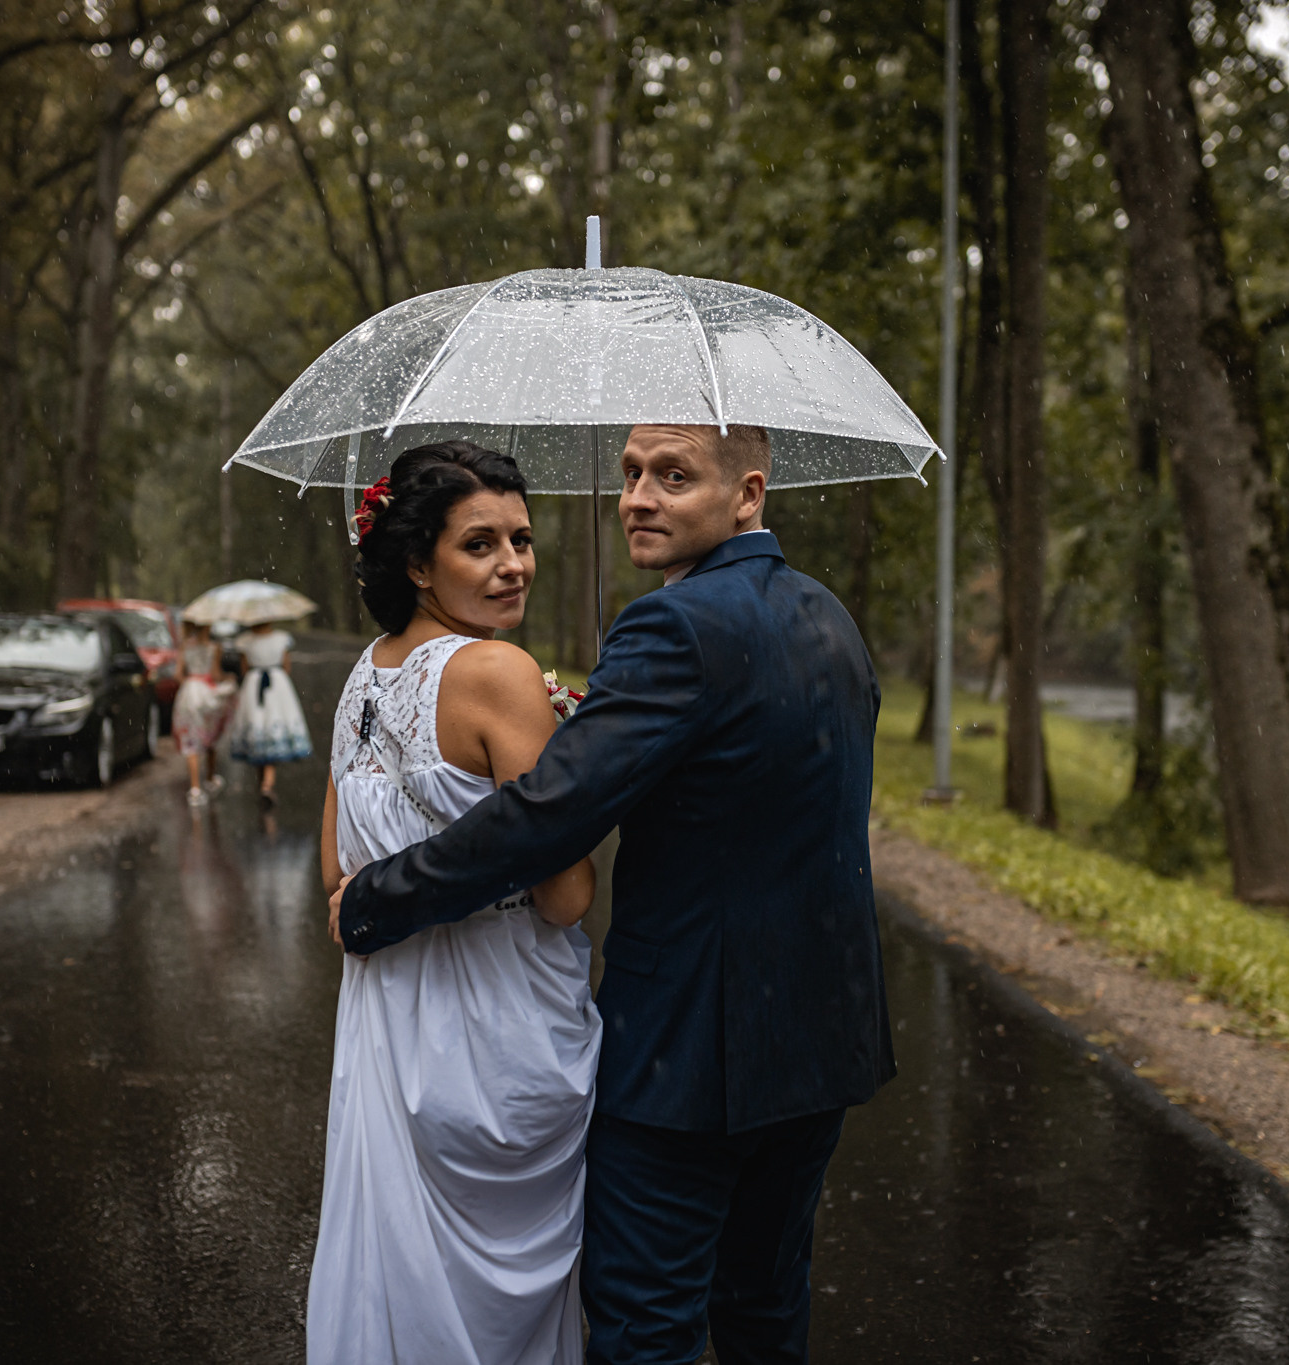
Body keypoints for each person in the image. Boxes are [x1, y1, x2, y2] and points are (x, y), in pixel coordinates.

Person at [331, 423, 893, 1365]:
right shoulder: (827, 615)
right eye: (632, 474)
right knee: (764, 1308)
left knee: (644, 1322)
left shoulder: (672, 626)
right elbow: (743, 773)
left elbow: (542, 824)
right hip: (819, 1042)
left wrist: (374, 899)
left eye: (673, 476)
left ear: (747, 494)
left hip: (688, 1054)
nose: (638, 497)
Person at [308, 440, 601, 1365]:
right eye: (480, 543)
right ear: (416, 563)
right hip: (496, 1021)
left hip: (391, 1021)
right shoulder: (500, 672)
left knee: (400, 1272)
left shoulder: (364, 674)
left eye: (522, 537)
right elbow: (566, 896)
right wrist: (581, 768)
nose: (513, 562)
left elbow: (336, 872)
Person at [229, 618, 313, 805]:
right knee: (273, 730)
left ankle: (263, 783)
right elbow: (287, 666)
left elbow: (243, 668)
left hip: (253, 685)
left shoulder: (245, 641)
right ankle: (267, 785)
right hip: (277, 685)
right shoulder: (281, 638)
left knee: (258, 729)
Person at [172, 621, 234, 806]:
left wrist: (190, 683)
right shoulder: (214, 648)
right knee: (209, 735)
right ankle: (210, 777)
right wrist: (227, 678)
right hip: (206, 693)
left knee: (191, 738)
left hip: (189, 694)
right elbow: (215, 674)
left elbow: (177, 674)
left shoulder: (185, 646)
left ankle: (195, 788)